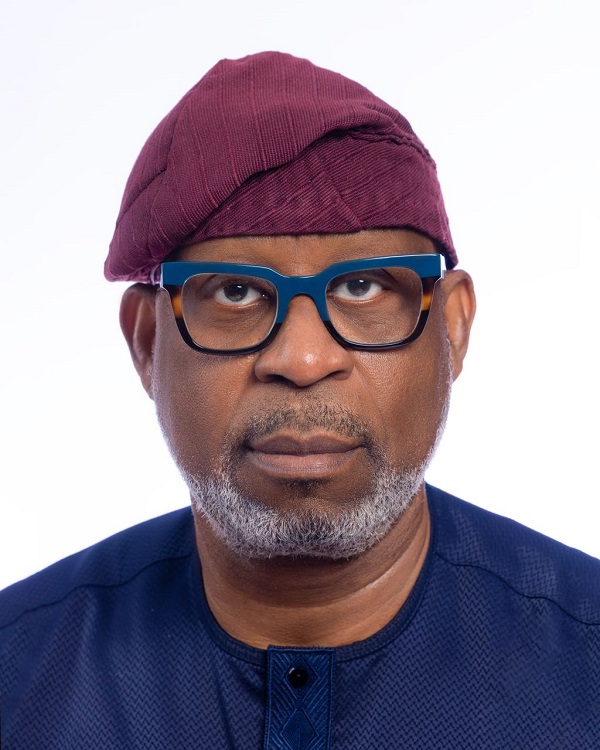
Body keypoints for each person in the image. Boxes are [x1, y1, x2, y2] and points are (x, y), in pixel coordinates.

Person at [1, 51, 598, 749]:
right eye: (236, 292)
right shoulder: (19, 679)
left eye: (363, 287)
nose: (304, 359)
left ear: (453, 328)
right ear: (147, 341)